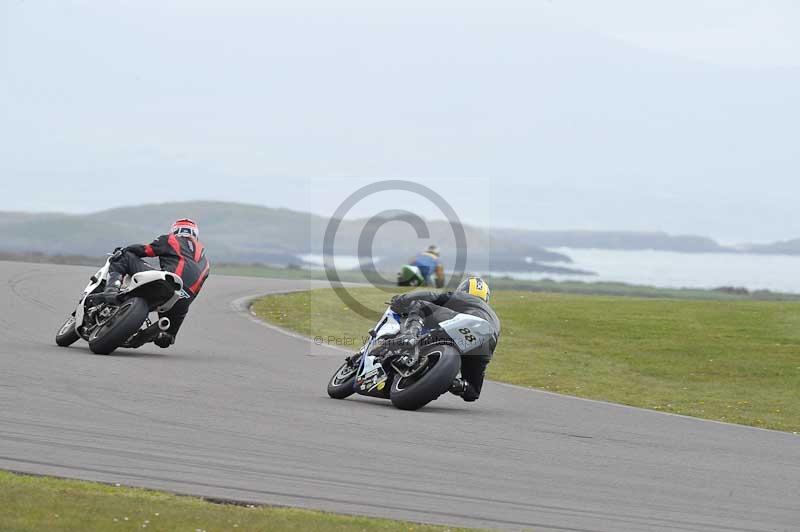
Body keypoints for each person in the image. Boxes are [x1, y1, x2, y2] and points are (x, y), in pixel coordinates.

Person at [102, 218, 210, 348]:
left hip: (166, 283)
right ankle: (155, 334)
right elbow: (196, 290)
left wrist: (124, 249)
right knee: (166, 337)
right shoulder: (206, 263)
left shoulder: (171, 239)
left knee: (124, 256)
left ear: (175, 230)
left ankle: (111, 290)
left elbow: (146, 250)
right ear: (195, 234)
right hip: (183, 301)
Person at [389, 276, 499, 402]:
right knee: (472, 390)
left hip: (465, 324)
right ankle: (454, 384)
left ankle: (410, 336)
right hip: (486, 343)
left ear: (463, 290)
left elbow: (433, 296)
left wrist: (402, 299)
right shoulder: (494, 317)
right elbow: (472, 395)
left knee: (420, 305)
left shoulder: (465, 297)